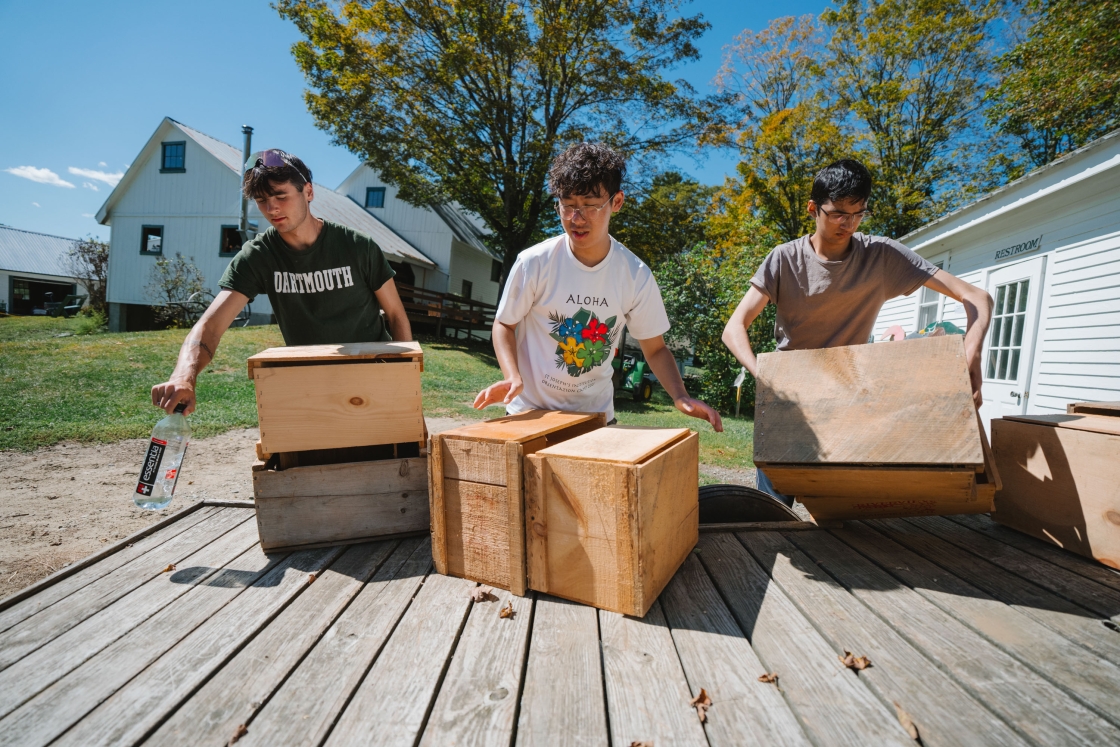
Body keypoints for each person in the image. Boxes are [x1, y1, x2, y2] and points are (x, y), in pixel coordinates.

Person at [722, 158, 993, 505]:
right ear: (812, 208)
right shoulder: (784, 259)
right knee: (773, 508)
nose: (848, 224)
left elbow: (976, 297)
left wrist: (973, 355)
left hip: (849, 393)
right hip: (790, 394)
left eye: (857, 213)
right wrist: (767, 377)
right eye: (837, 213)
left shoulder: (881, 256)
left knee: (843, 509)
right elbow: (734, 328)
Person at [474, 143, 723, 432]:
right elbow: (504, 323)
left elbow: (654, 349)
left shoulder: (635, 274)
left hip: (596, 420)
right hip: (529, 414)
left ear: (616, 202)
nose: (576, 218)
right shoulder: (534, 262)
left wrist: (680, 396)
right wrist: (512, 376)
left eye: (590, 205)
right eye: (567, 205)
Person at [151, 149, 412, 415]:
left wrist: (404, 380)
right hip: (309, 382)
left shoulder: (357, 246)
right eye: (262, 200)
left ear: (308, 192)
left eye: (281, 196)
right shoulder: (258, 257)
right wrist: (184, 375)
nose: (271, 208)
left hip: (374, 373)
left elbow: (395, 315)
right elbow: (211, 326)